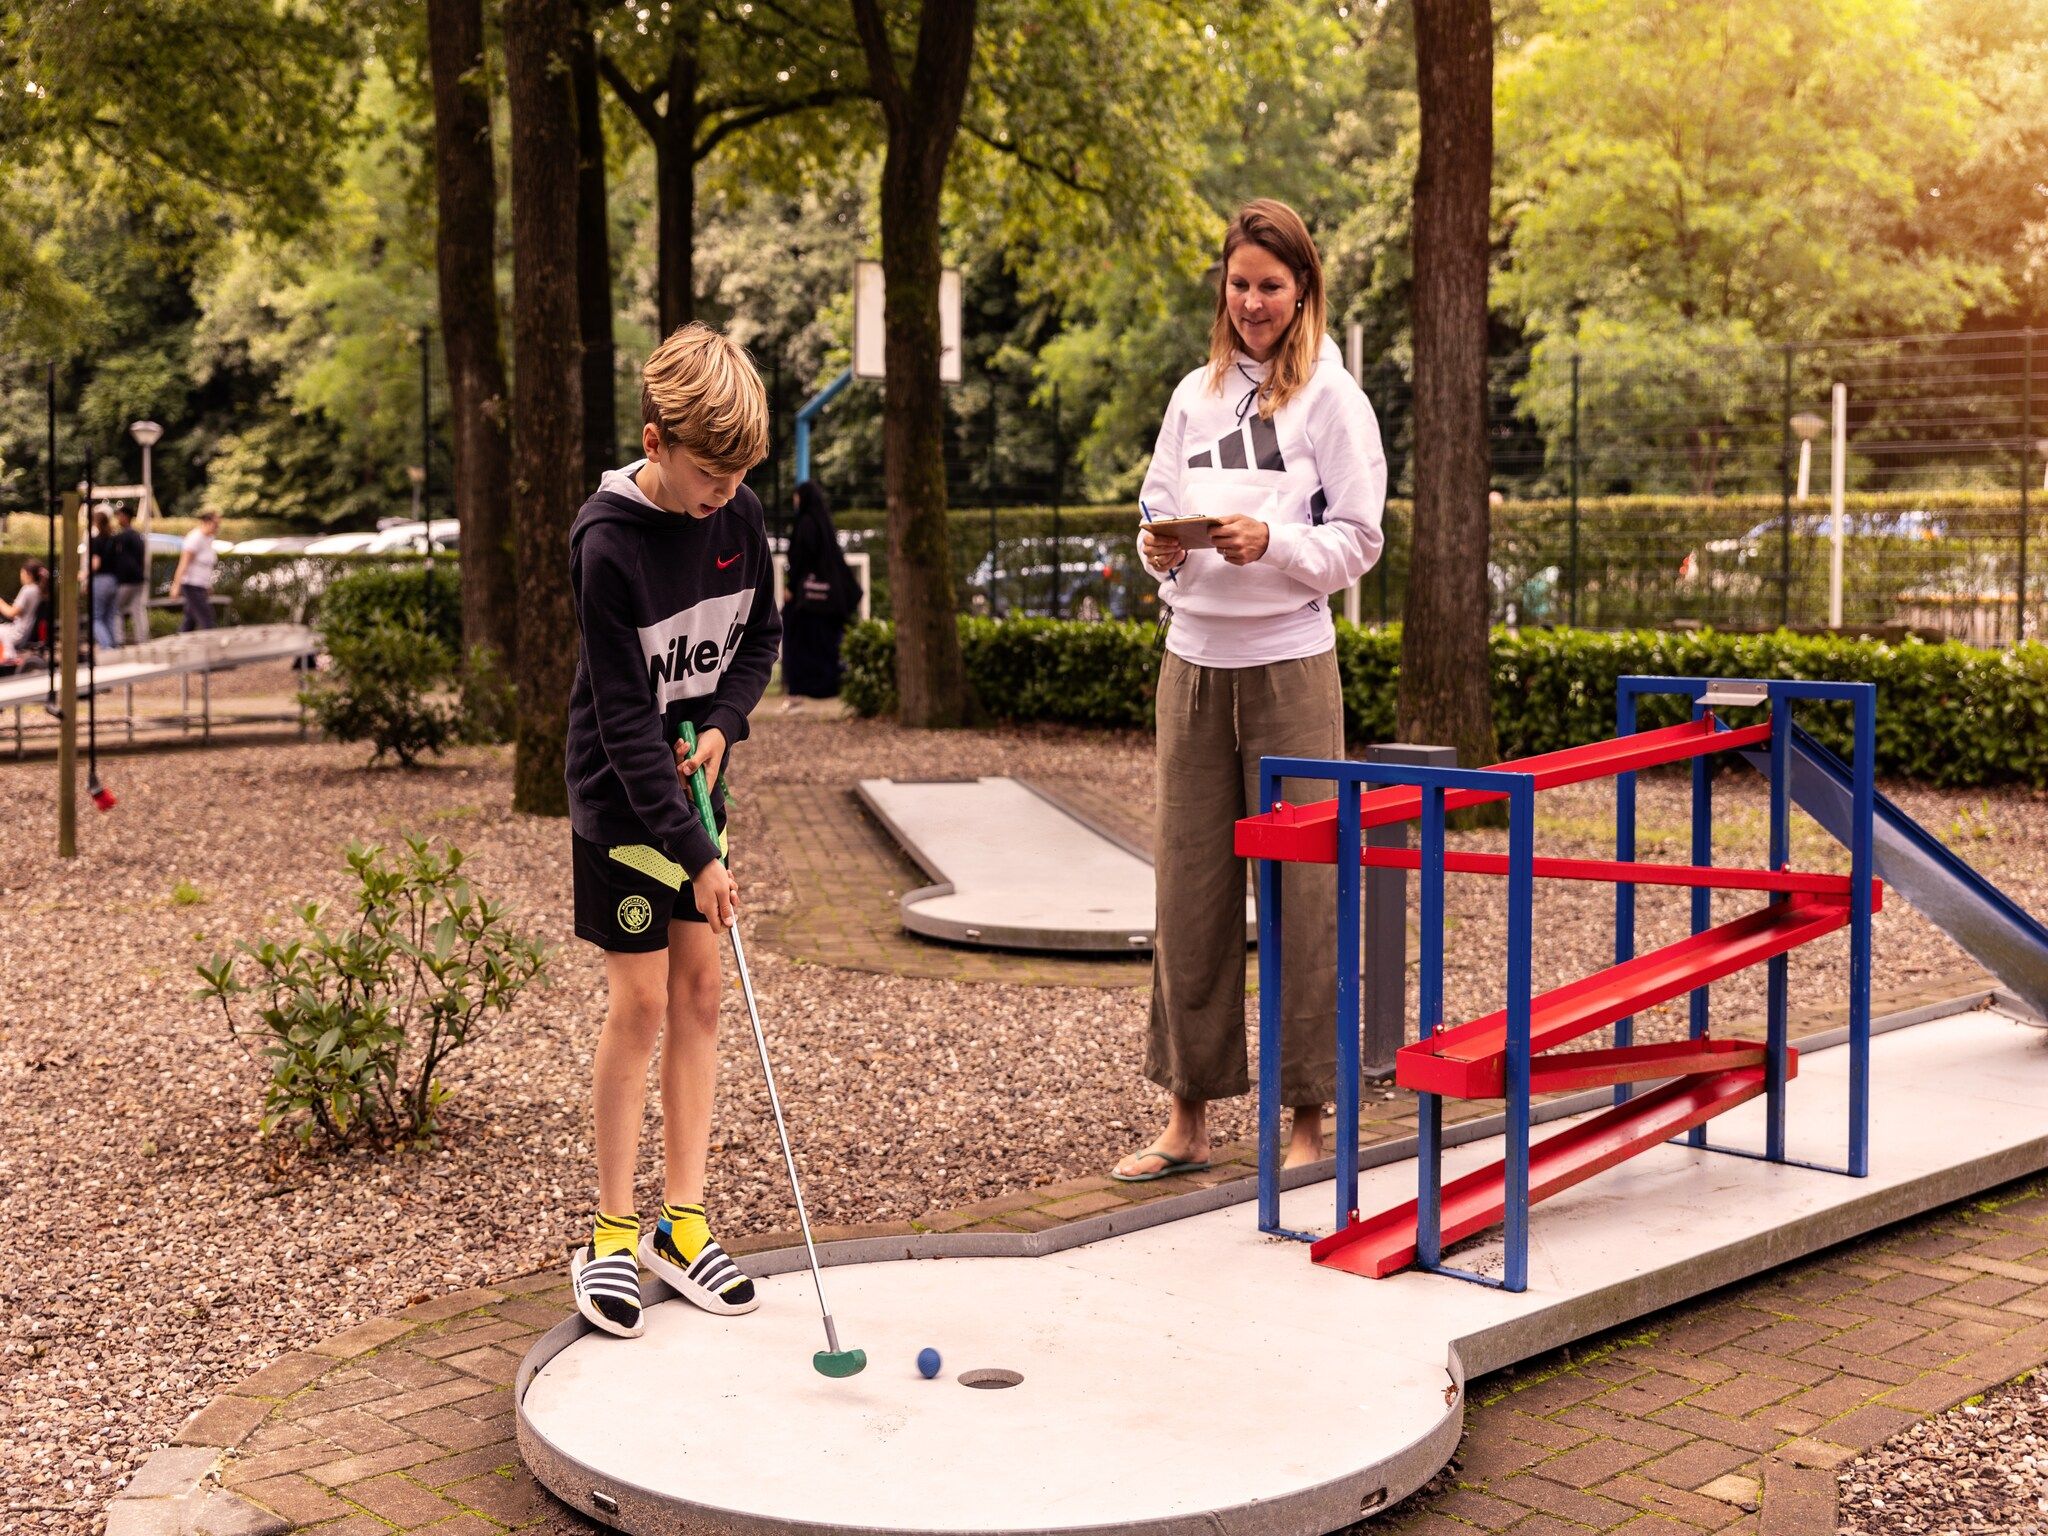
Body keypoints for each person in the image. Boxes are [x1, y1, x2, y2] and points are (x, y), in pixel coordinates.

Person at [1113, 198, 1387, 1184]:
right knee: (1188, 894)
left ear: (1302, 290)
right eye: (1238, 284)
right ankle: (1186, 1119)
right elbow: (1155, 503)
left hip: (1289, 670)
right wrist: (1156, 547)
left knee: (1303, 895)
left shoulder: (1331, 400)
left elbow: (1359, 538)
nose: (1252, 302)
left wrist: (1272, 542)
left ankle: (1307, 1117)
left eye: (1270, 285)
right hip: (1190, 668)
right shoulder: (1193, 395)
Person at [564, 321, 783, 1338]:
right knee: (643, 999)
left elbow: (760, 639)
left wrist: (726, 724)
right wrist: (697, 859)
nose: (724, 492)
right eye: (708, 472)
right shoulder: (606, 545)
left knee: (701, 993)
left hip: (693, 787)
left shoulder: (737, 513)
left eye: (739, 475)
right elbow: (621, 723)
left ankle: (680, 1226)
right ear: (655, 442)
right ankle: (611, 1233)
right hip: (622, 802)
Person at [780, 479, 857, 698]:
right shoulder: (823, 522)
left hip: (807, 600)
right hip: (829, 601)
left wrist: (792, 585)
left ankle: (805, 686)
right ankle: (829, 685)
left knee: (802, 642)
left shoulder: (805, 523)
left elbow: (801, 558)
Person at [170, 510, 221, 631]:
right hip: (191, 584)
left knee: (190, 620)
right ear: (206, 522)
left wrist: (208, 585)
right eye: (215, 525)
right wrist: (176, 585)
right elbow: (184, 563)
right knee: (207, 618)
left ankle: (181, 639)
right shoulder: (195, 538)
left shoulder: (209, 539)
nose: (217, 528)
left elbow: (206, 565)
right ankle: (211, 640)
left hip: (201, 585)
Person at [0, 560, 49, 673]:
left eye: (22, 573)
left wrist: (1, 603)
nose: (21, 576)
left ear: (28, 574)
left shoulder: (28, 590)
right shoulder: (39, 590)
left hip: (18, 632)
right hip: (27, 629)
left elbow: (12, 613)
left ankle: (9, 657)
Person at [110, 506, 148, 647]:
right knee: (137, 609)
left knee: (115, 609)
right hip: (138, 579)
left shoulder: (123, 537)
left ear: (125, 517)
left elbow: (123, 561)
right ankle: (142, 639)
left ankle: (118, 640)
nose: (117, 519)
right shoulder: (137, 536)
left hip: (127, 580)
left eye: (119, 516)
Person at [88, 507, 121, 651]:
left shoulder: (96, 541)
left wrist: (85, 573)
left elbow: (96, 564)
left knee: (95, 617)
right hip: (113, 580)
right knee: (109, 615)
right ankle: (113, 644)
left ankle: (107, 646)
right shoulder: (114, 539)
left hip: (100, 580)